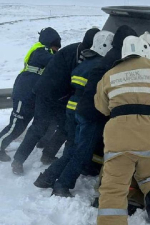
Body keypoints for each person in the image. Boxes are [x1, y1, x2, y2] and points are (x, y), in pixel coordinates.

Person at [95, 35, 150, 224]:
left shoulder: (109, 74)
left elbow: (101, 107)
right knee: (149, 173)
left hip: (119, 133)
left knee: (114, 185)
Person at [33, 30, 115, 197]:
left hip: (72, 108)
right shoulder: (101, 67)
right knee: (82, 152)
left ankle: (47, 177)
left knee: (71, 147)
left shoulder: (84, 63)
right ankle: (62, 185)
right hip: (88, 112)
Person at [11, 28, 100, 175]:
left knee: (65, 127)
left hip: (61, 96)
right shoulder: (75, 52)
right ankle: (18, 161)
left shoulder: (81, 50)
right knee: (38, 127)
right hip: (47, 93)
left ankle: (48, 154)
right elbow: (74, 78)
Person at [0, 27, 61, 162]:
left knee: (40, 122)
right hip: (25, 92)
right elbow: (55, 62)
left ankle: (42, 141)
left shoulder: (46, 51)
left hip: (33, 93)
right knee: (17, 125)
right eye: (57, 47)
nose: (57, 50)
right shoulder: (40, 50)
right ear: (51, 43)